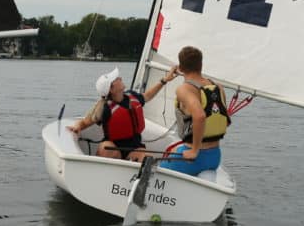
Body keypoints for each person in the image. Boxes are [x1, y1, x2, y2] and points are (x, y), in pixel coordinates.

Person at [67, 65, 179, 161]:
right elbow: (85, 122)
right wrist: (77, 127)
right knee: (105, 148)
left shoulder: (132, 96)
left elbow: (147, 96)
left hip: (134, 148)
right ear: (111, 89)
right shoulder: (104, 108)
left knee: (147, 158)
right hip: (114, 148)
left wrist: (164, 80)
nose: (120, 78)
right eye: (117, 79)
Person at [166, 45, 230, 176]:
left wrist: (194, 150)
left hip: (195, 158)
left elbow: (200, 116)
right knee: (176, 150)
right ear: (201, 65)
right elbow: (226, 121)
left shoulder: (184, 89)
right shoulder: (217, 87)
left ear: (181, 68)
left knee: (153, 167)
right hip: (214, 156)